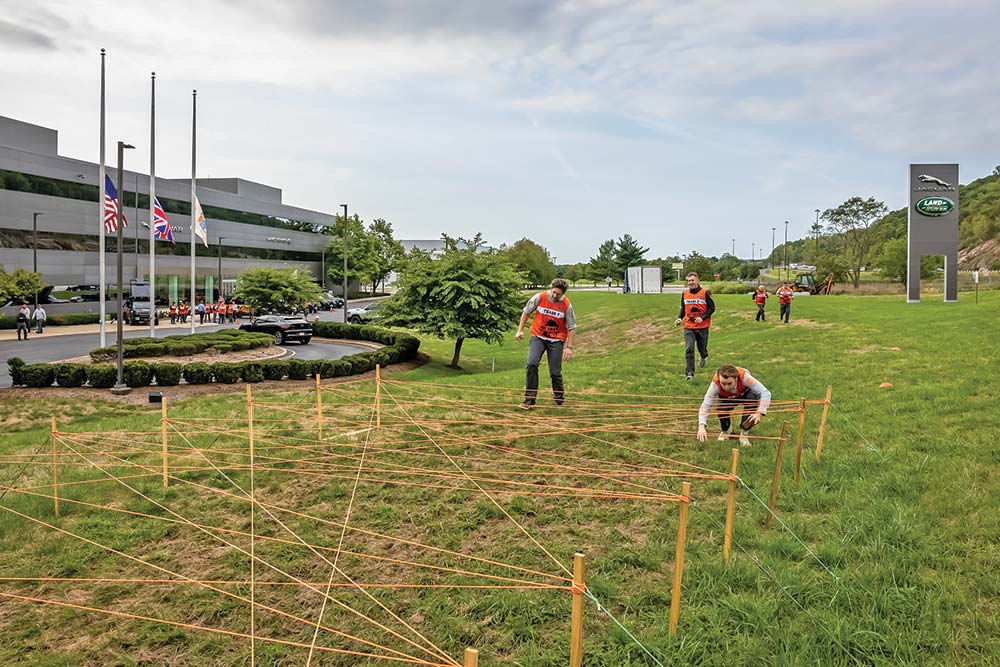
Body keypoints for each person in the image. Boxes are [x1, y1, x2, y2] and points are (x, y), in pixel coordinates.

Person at [515, 278, 576, 409]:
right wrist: (520, 330)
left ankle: (559, 398)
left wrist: (569, 348)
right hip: (538, 336)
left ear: (563, 294)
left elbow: (572, 327)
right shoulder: (540, 297)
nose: (554, 296)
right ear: (551, 289)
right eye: (553, 292)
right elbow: (526, 312)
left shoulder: (566, 305)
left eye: (558, 294)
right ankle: (530, 399)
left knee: (555, 371)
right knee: (531, 364)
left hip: (556, 339)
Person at [696, 365, 772, 446]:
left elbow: (765, 393)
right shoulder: (715, 385)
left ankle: (744, 434)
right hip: (726, 397)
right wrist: (701, 426)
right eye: (723, 384)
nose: (726, 387)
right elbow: (706, 405)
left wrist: (759, 413)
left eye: (729, 383)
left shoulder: (745, 377)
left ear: (736, 379)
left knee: (752, 400)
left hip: (746, 394)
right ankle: (726, 430)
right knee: (721, 410)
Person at [674, 272, 715, 380]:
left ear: (697, 281)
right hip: (689, 326)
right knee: (689, 349)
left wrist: (702, 318)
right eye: (689, 281)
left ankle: (703, 356)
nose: (690, 283)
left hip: (703, 326)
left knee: (702, 348)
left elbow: (712, 308)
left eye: (692, 280)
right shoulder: (685, 293)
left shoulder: (705, 292)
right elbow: (683, 308)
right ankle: (689, 373)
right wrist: (679, 318)